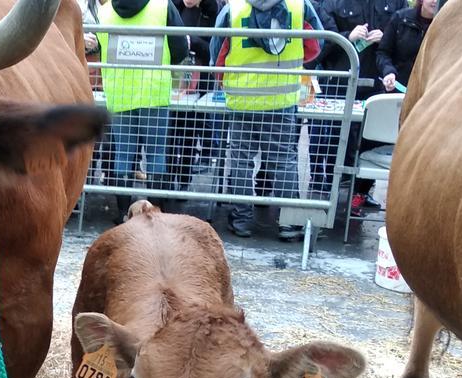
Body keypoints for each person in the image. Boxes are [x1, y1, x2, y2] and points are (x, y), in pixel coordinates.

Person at [210, 0, 324, 241]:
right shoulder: (299, 6)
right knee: (284, 160)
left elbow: (217, 52)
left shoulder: (233, 8)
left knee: (241, 160)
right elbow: (316, 45)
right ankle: (290, 223)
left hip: (242, 99)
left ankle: (241, 219)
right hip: (282, 99)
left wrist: (225, 80)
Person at [97, 0, 191, 220]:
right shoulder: (162, 6)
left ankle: (122, 214)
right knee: (156, 155)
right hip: (154, 93)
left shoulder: (105, 10)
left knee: (123, 155)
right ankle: (157, 216)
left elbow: (100, 47)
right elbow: (180, 49)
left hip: (120, 93)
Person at [312, 0, 401, 214]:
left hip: (376, 82)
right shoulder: (333, 3)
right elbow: (321, 45)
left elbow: (399, 42)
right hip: (340, 82)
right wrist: (346, 37)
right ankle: (324, 188)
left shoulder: (395, 3)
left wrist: (385, 38)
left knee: (371, 141)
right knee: (334, 138)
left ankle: (359, 192)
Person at [165, 0, 221, 203]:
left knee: (190, 133)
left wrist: (192, 41)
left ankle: (185, 178)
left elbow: (213, 50)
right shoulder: (174, 8)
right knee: (171, 133)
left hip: (201, 83)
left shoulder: (212, 12)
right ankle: (169, 177)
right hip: (175, 81)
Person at [378, 0, 438, 92]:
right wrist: (389, 72)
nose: (435, 1)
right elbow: (383, 52)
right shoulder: (400, 18)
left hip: (429, 91)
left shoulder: (447, 26)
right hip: (397, 88)